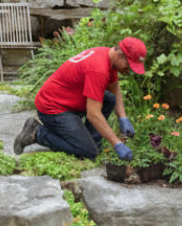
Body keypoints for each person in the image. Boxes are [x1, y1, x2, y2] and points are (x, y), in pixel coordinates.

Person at [13, 37, 147, 161]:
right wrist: (116, 143)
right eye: (129, 65)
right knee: (88, 153)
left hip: (68, 99)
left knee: (109, 99)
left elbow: (115, 89)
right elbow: (93, 114)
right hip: (53, 108)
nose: (129, 70)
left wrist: (123, 118)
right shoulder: (98, 69)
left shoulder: (107, 56)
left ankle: (91, 141)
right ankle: (37, 133)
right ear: (121, 55)